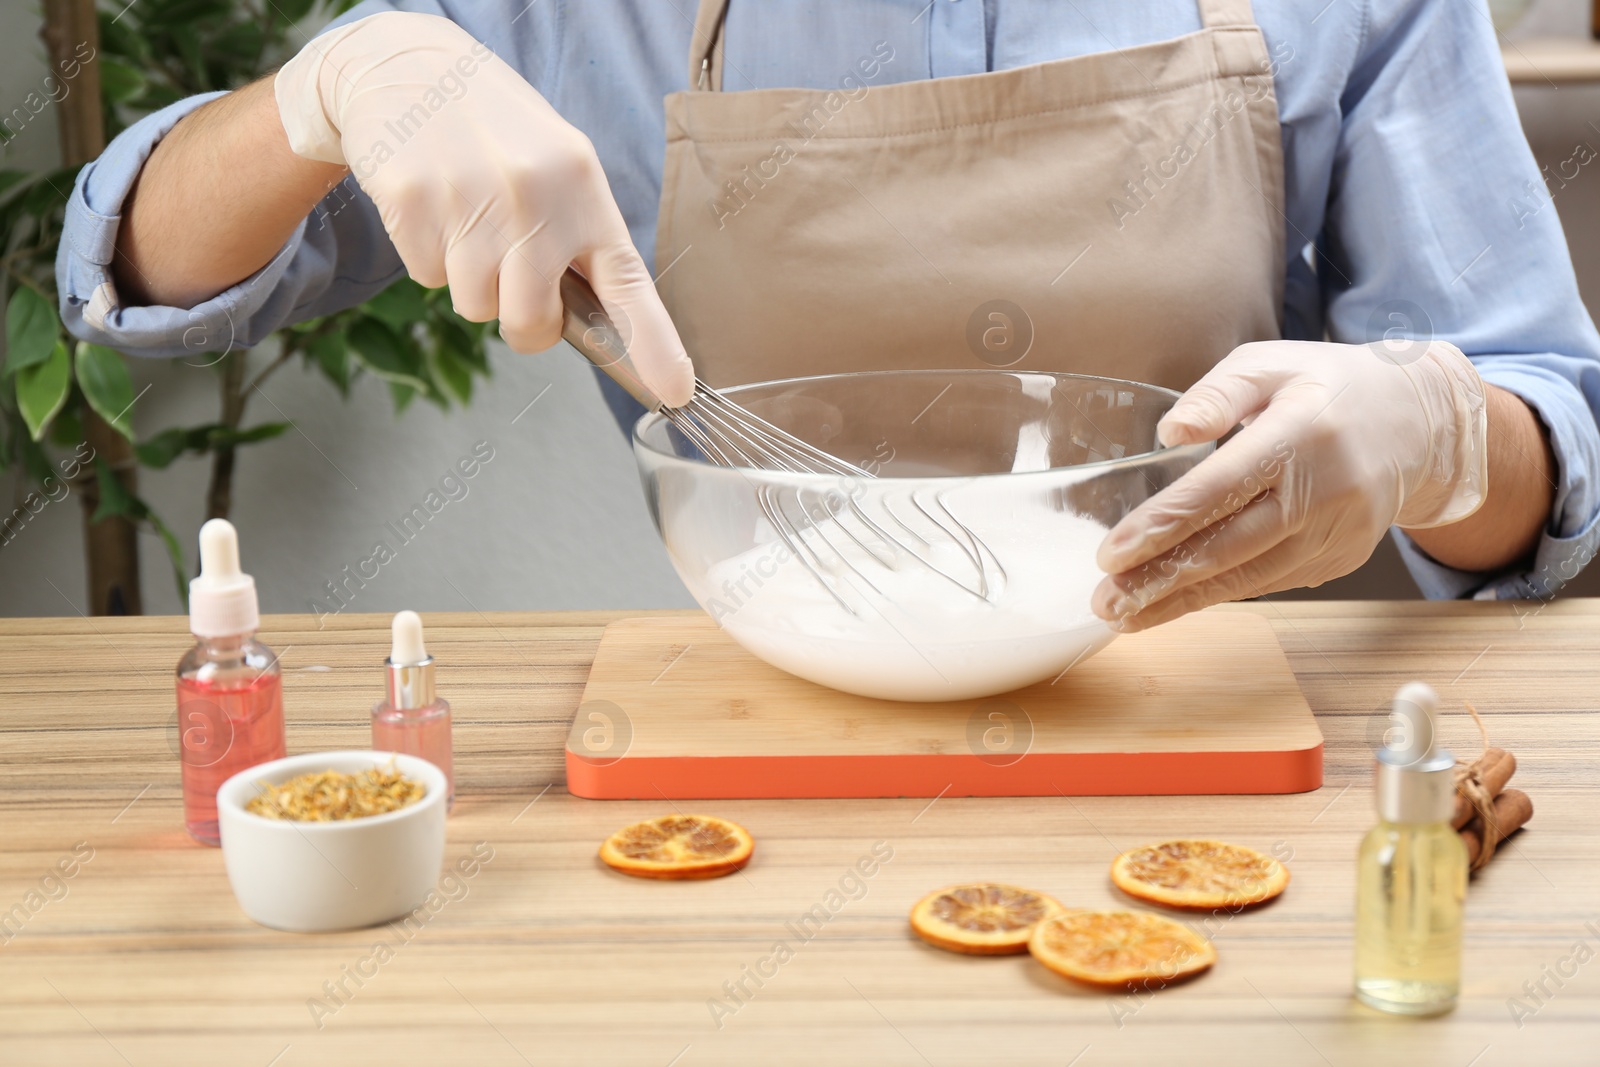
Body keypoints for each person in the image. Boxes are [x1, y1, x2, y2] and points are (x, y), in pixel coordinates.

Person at [58, 1, 1600, 630]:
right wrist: (332, 88)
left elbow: (1545, 453)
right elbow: (143, 291)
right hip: (771, 742)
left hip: (1232, 741)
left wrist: (1438, 438)